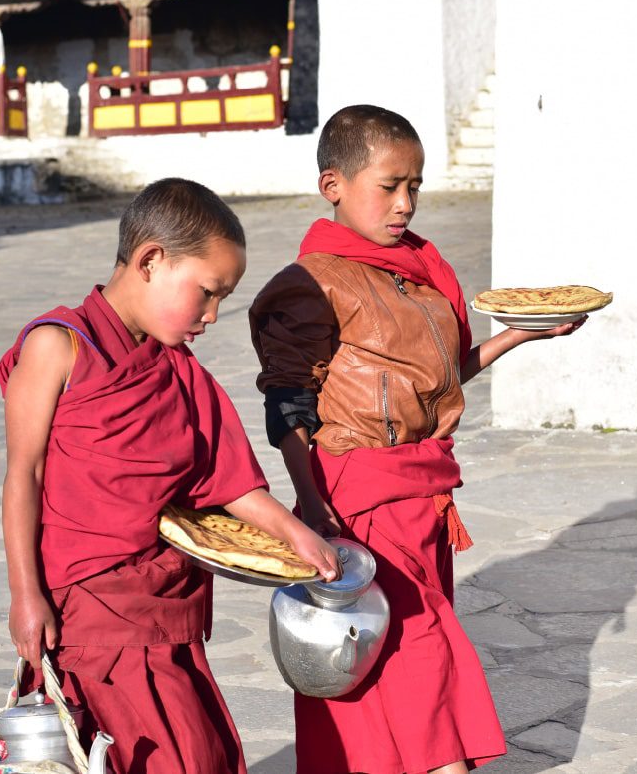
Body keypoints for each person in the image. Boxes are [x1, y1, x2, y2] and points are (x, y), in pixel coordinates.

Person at [249, 105, 587, 774]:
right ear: (333, 185)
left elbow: (434, 381)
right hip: (360, 500)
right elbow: (287, 405)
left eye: (416, 186)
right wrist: (311, 508)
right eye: (389, 185)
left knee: (392, 664)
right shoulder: (310, 285)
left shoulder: (414, 273)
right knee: (414, 657)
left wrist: (517, 334)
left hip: (423, 494)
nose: (404, 203)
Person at [0, 178, 340, 774]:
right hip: (87, 608)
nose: (211, 316)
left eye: (222, 301)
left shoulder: (178, 370)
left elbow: (229, 481)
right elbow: (22, 474)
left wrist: (296, 532)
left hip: (165, 606)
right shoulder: (58, 348)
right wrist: (25, 594)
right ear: (152, 260)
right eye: (207, 293)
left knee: (197, 753)